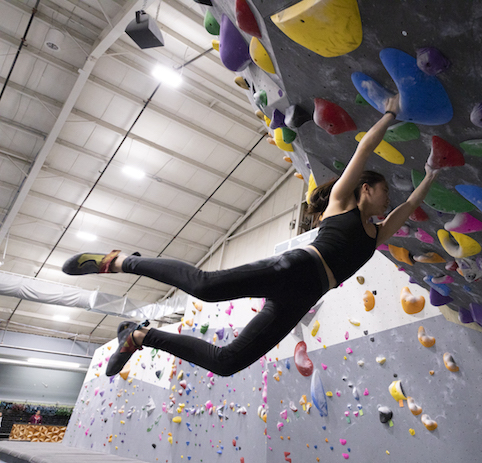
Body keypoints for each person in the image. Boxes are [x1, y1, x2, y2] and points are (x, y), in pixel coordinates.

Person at [62, 95, 442, 378]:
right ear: (365, 189)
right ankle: (121, 261)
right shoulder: (341, 203)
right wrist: (390, 113)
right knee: (206, 287)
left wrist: (431, 173)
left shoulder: (375, 234)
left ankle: (141, 337)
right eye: (382, 191)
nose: (387, 197)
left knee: (226, 363)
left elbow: (407, 207)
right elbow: (364, 147)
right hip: (295, 268)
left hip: (303, 296)